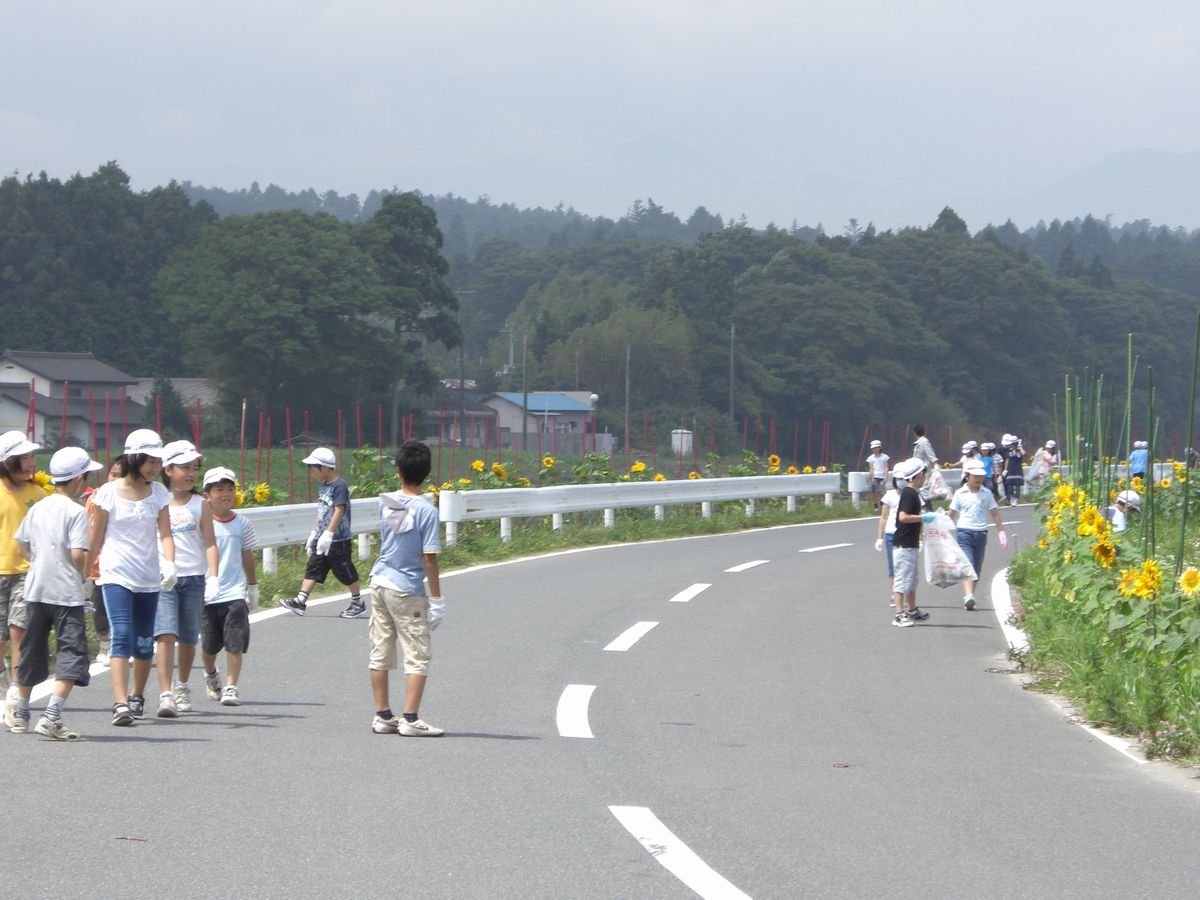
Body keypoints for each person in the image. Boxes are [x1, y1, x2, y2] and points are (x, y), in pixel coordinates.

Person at [4, 447, 102, 739]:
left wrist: (39, 562)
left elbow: (21, 545)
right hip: (65, 594)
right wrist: (82, 573)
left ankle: (21, 711)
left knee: (33, 652)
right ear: (78, 479)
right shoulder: (75, 511)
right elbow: (77, 554)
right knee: (72, 654)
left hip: (35, 590)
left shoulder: (39, 506)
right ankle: (52, 715)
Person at [87, 429, 176, 726]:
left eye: (157, 461)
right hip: (116, 574)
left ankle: (137, 694)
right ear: (132, 458)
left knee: (142, 641)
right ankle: (120, 703)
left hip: (149, 576)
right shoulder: (107, 493)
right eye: (148, 460)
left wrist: (170, 564)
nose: (153, 467)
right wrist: (84, 574)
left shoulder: (159, 493)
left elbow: (165, 534)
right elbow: (96, 538)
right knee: (121, 635)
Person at [367, 440, 445, 736]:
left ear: (398, 470)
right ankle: (410, 718)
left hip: (380, 582)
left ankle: (382, 715)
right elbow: (429, 559)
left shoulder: (386, 503)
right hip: (406, 588)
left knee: (381, 650)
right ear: (427, 473)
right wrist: (436, 599)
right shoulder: (427, 511)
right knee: (417, 653)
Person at [154, 441, 220, 716]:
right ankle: (165, 693)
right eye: (184, 468)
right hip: (163, 578)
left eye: (194, 468)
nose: (191, 473)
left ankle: (182, 686)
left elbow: (209, 542)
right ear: (167, 469)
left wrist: (213, 576)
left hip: (193, 578)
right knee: (165, 634)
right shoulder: (156, 500)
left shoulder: (200, 504)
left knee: (189, 637)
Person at [279, 447, 364, 618]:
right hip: (323, 536)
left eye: (312, 468)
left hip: (338, 539)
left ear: (324, 468)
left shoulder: (339, 486)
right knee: (314, 566)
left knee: (344, 570)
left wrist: (329, 533)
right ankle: (301, 601)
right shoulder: (323, 486)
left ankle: (358, 602)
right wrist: (314, 533)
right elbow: (322, 512)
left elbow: (339, 510)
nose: (310, 472)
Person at [198, 468, 258, 707]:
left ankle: (231, 687)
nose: (226, 494)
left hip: (234, 592)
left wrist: (253, 587)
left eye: (230, 489)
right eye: (219, 489)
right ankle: (211, 673)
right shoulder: (200, 523)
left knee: (236, 642)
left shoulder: (242, 523)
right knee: (209, 645)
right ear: (207, 495)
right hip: (206, 593)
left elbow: (247, 556)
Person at [0, 430, 45, 720]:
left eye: (31, 457)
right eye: (23, 458)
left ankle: (16, 690)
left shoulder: (39, 494)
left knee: (20, 631)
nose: (29, 464)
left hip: (27, 572)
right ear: (6, 462)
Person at [948, 460, 1008, 610]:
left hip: (981, 533)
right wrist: (942, 530)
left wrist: (1001, 531)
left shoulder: (986, 493)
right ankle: (968, 596)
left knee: (977, 567)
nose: (979, 479)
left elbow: (994, 513)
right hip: (964, 532)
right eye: (975, 476)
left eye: (981, 477)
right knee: (968, 563)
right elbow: (952, 514)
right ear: (967, 476)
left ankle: (970, 596)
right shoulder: (959, 493)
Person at [85, 460, 122, 665]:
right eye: (113, 474)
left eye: (120, 476)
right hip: (99, 565)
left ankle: (121, 642)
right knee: (100, 607)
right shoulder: (95, 498)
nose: (115, 480)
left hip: (122, 565)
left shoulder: (132, 498)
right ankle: (104, 642)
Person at [890, 457, 933, 627]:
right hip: (904, 544)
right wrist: (923, 517)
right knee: (902, 579)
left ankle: (912, 609)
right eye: (923, 473)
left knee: (912, 579)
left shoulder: (913, 493)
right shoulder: (909, 493)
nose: (925, 477)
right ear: (918, 475)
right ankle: (899, 614)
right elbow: (903, 517)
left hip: (911, 542)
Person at [874, 473, 901, 601]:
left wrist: (920, 538)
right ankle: (894, 595)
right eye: (899, 479)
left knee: (905, 566)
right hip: (891, 534)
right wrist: (880, 537)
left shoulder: (913, 494)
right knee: (893, 566)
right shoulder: (890, 495)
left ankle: (904, 595)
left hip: (907, 534)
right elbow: (883, 517)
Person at [911, 425, 938, 508]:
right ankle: (924, 510)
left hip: (924, 471)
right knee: (919, 491)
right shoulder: (918, 443)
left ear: (914, 433)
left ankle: (929, 511)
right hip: (918, 471)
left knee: (924, 491)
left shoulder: (924, 442)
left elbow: (931, 455)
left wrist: (936, 464)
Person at [1001, 434, 1027, 506]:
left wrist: (1020, 447)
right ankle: (1012, 498)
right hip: (1010, 470)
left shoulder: (1019, 451)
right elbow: (1007, 460)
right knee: (1010, 486)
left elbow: (1024, 453)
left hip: (1018, 470)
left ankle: (1016, 499)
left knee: (1017, 486)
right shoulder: (1009, 451)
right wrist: (1005, 470)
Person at [865, 440, 890, 508]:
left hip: (882, 477)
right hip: (875, 477)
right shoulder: (871, 458)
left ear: (879, 448)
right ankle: (876, 505)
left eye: (876, 448)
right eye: (873, 448)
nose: (875, 450)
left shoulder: (884, 457)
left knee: (882, 491)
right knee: (874, 492)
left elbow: (886, 467)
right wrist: (872, 477)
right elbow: (871, 468)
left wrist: (886, 476)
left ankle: (884, 504)